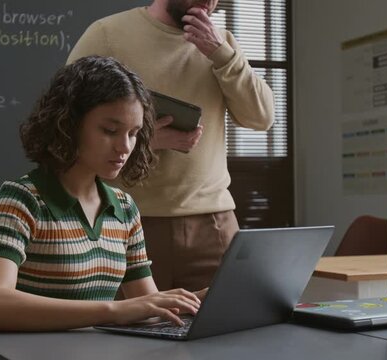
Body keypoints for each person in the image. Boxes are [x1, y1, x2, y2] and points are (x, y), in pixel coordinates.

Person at [0, 56, 205, 331]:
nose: (125, 147)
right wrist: (112, 310)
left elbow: (146, 307)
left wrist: (201, 301)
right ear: (68, 124)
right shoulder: (23, 200)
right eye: (110, 130)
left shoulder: (124, 208)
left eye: (134, 133)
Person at [66, 0, 275, 292]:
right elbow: (64, 125)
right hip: (124, 222)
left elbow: (261, 118)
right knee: (127, 336)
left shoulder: (222, 43)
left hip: (214, 225)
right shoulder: (107, 35)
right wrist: (142, 142)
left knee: (229, 333)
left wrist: (223, 56)